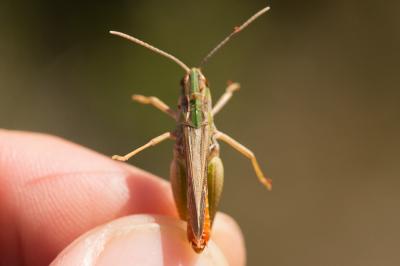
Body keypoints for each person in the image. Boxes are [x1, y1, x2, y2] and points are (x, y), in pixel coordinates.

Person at [0, 130, 245, 265]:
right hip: (184, 166)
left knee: (209, 169)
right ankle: (196, 225)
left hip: (208, 164)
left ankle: (200, 224)